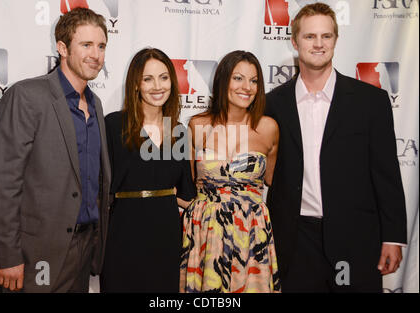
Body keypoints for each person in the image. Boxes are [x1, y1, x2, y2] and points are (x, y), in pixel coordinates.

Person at [264, 2, 407, 292]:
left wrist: (393, 237)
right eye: (310, 36)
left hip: (355, 239)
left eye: (326, 36)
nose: (319, 44)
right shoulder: (272, 104)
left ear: (336, 40)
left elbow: (386, 174)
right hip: (294, 241)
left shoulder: (371, 102)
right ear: (294, 41)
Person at [0, 7, 111, 292]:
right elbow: (4, 181)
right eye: (86, 45)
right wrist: (7, 256)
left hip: (84, 249)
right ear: (62, 48)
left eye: (101, 46)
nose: (96, 54)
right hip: (35, 253)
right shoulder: (27, 96)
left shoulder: (97, 104)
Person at [180, 50, 281, 293]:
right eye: (238, 78)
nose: (247, 87)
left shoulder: (268, 128)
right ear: (222, 81)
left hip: (251, 233)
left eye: (254, 80)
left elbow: (273, 181)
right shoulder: (197, 125)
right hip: (205, 231)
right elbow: (188, 183)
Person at [100, 48, 196, 293]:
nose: (157, 86)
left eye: (164, 78)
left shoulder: (178, 132)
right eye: (148, 79)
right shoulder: (112, 125)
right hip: (123, 233)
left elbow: (187, 195)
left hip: (166, 236)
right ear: (135, 85)